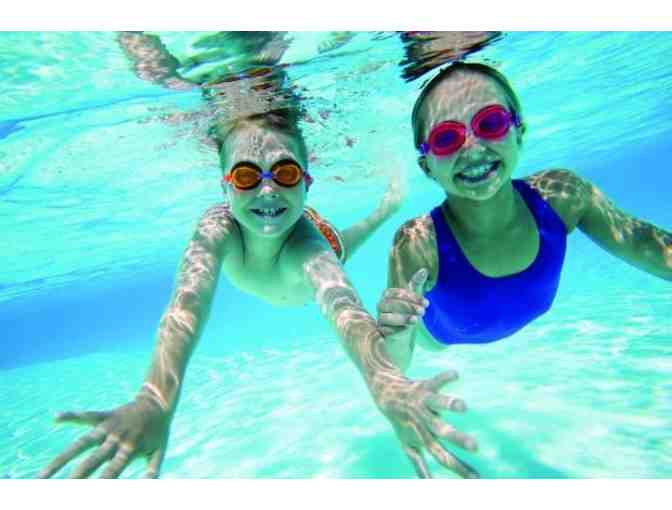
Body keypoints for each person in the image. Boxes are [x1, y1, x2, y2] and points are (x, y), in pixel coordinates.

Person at [38, 105, 481, 479]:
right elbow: (185, 304)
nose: (267, 189)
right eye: (248, 176)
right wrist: (155, 398)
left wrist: (385, 382)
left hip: (317, 241)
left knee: (348, 241)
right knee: (341, 245)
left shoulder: (311, 251)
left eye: (285, 173)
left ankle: (388, 204)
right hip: (294, 247)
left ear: (307, 183)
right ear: (225, 187)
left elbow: (346, 309)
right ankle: (385, 203)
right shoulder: (217, 229)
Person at [376, 61, 672, 472]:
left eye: (490, 123)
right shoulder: (417, 243)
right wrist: (395, 359)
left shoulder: (563, 195)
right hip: (440, 337)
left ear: (519, 131)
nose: (472, 148)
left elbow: (639, 239)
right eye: (446, 138)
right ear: (427, 166)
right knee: (412, 335)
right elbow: (397, 358)